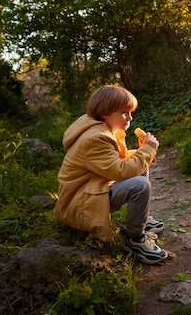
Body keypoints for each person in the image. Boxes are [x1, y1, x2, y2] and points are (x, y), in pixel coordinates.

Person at [54, 85, 169, 265]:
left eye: (130, 112)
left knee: (140, 166)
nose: (130, 118)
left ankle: (141, 221)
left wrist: (141, 153)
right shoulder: (95, 137)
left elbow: (115, 162)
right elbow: (121, 171)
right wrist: (146, 150)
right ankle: (135, 240)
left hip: (92, 188)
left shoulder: (105, 128)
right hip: (79, 203)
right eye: (124, 113)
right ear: (106, 112)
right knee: (140, 185)